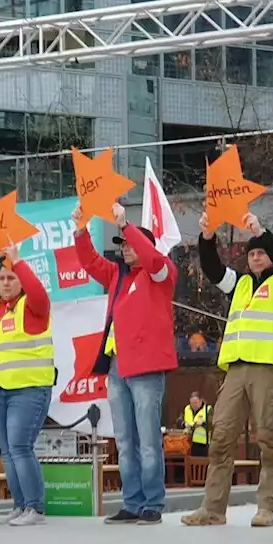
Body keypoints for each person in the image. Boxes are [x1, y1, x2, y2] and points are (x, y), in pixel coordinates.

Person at [183, 212, 273, 529]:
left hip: (268, 369)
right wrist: (208, 236)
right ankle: (212, 508)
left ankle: (267, 507)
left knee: (269, 438)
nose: (255, 257)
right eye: (251, 253)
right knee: (220, 437)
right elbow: (212, 268)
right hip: (235, 370)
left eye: (261, 251)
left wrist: (261, 232)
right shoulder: (240, 284)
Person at [74, 204, 178, 525]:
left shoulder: (161, 274)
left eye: (131, 244)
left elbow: (153, 258)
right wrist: (80, 230)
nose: (126, 249)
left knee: (148, 440)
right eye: (123, 244)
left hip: (146, 367)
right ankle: (132, 502)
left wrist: (124, 224)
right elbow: (90, 262)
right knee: (124, 440)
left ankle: (153, 503)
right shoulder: (118, 275)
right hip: (118, 367)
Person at [0, 243, 54, 526]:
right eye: (2, 278)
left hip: (28, 388)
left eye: (12, 278)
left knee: (20, 447)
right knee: (7, 450)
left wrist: (18, 261)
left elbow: (40, 293)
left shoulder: (33, 307)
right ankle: (20, 505)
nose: (6, 283)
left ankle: (35, 507)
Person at [181, 391, 209, 457]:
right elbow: (179, 421)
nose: (194, 405)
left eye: (196, 402)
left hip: (203, 443)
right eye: (192, 403)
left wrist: (202, 424)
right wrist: (184, 424)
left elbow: (211, 425)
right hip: (189, 443)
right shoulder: (187, 409)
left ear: (201, 401)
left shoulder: (207, 409)